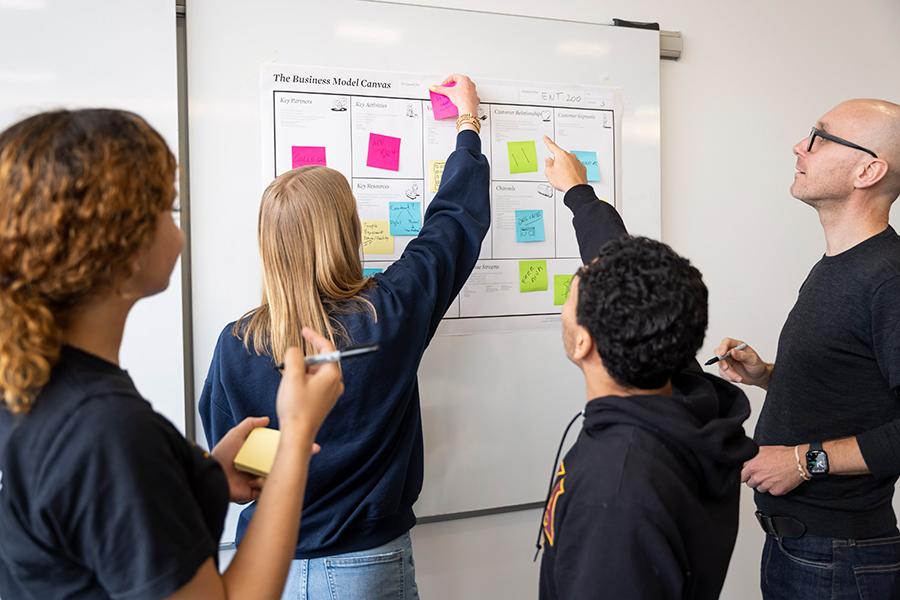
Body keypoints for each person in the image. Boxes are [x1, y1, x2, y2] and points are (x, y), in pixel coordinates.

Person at [0, 109, 344, 599]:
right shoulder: (106, 431)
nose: (177, 227)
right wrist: (296, 437)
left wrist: (203, 476)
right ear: (121, 247)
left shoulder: (31, 384)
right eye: (167, 207)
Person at [198, 74, 489, 598]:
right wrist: (467, 124)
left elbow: (240, 467)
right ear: (348, 232)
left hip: (267, 567)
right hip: (366, 566)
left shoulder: (235, 344)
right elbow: (453, 224)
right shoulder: (387, 314)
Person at [536, 137, 757, 599]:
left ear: (584, 342)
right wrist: (579, 195)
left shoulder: (617, 492)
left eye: (570, 297)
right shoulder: (685, 396)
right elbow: (637, 281)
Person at [715, 99, 900, 599]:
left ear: (868, 171)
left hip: (841, 559)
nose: (800, 147)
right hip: (802, 549)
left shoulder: (889, 279)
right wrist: (767, 374)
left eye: (820, 137)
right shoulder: (839, 264)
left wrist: (804, 461)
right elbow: (857, 388)